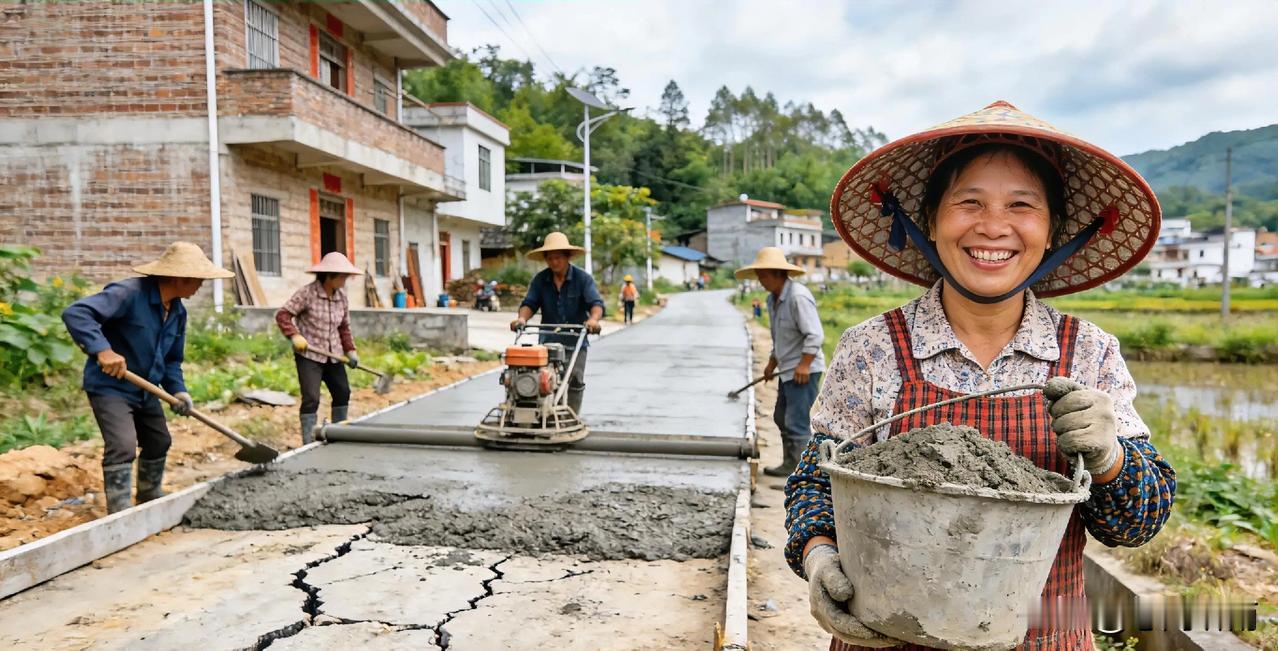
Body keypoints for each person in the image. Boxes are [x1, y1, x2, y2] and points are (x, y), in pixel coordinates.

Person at [786, 101, 1177, 649]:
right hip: (889, 636)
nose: (993, 226)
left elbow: (1134, 526)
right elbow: (815, 482)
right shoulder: (872, 348)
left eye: (1022, 205)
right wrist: (819, 554)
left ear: (1052, 230)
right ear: (929, 222)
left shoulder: (1088, 354)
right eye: (969, 202)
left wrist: (1110, 458)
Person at [62, 242, 234, 513]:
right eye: (199, 279)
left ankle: (148, 496)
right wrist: (102, 350)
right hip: (111, 387)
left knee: (159, 441)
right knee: (122, 445)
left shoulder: (177, 312)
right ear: (181, 278)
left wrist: (179, 391)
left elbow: (171, 360)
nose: (201, 285)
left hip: (146, 388)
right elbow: (77, 313)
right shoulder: (129, 294)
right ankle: (119, 511)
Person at [735, 247, 825, 477]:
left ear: (778, 273)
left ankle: (803, 472)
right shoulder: (772, 300)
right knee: (780, 416)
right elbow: (780, 337)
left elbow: (814, 335)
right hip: (787, 369)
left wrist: (804, 364)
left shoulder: (798, 297)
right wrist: (771, 363)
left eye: (763, 275)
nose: (760, 281)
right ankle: (790, 463)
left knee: (796, 421)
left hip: (803, 370)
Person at [510, 232, 605, 416]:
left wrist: (593, 320)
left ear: (567, 257)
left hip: (575, 339)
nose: (554, 262)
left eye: (558, 258)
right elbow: (529, 304)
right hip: (549, 339)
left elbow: (596, 304)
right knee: (542, 379)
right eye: (550, 258)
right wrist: (522, 319)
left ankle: (572, 416)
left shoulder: (582, 279)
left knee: (575, 380)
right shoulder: (540, 280)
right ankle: (542, 413)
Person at [275, 252, 362, 444]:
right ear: (329, 276)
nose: (344, 280)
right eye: (342, 277)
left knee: (342, 392)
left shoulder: (342, 298)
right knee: (311, 398)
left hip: (334, 355)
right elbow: (283, 315)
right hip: (310, 355)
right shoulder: (307, 293)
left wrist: (350, 350)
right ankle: (309, 441)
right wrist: (294, 335)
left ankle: (340, 434)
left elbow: (344, 327)